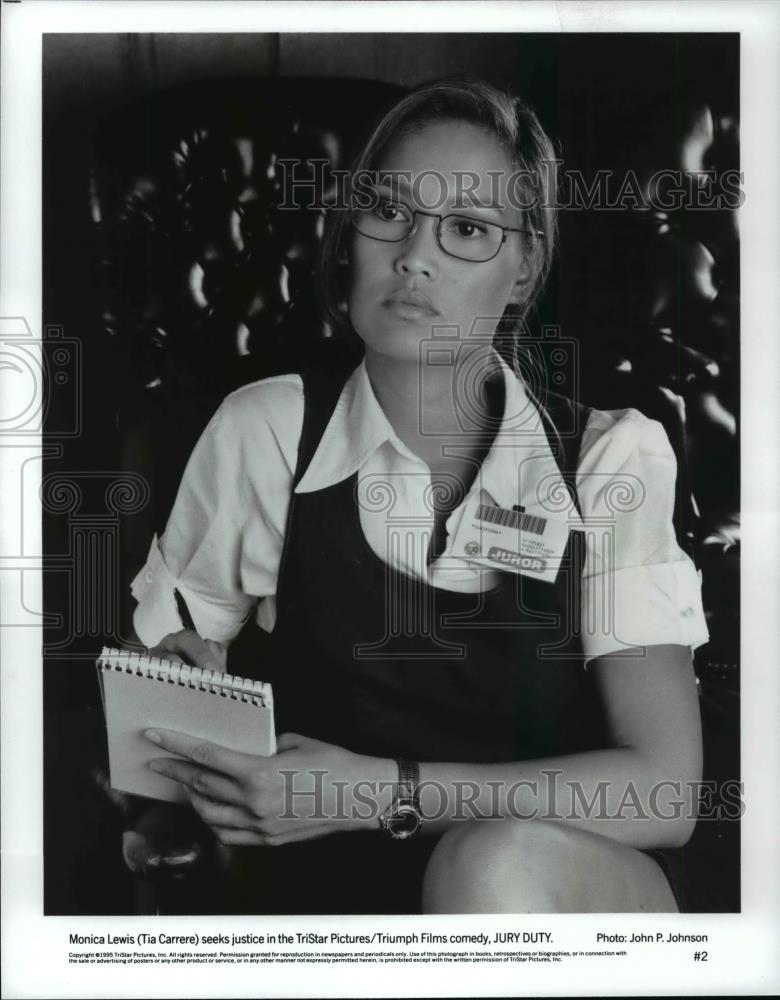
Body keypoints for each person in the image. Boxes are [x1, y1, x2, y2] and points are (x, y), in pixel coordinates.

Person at [130, 78, 709, 914]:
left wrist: (375, 792)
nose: (414, 255)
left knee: (489, 861)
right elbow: (156, 702)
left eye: (467, 229)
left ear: (523, 271)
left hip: (567, 890)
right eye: (389, 211)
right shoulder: (266, 431)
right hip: (330, 896)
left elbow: (663, 792)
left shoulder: (609, 459)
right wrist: (178, 690)